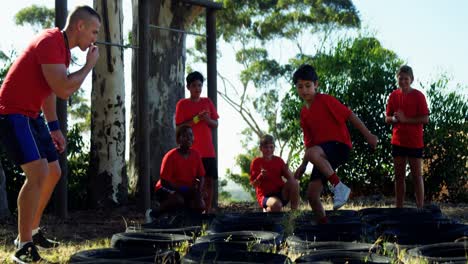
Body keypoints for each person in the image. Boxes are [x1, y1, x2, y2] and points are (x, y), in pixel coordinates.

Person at [0, 5, 100, 263]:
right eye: (94, 32)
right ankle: (23, 245)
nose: (94, 39)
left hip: (31, 114)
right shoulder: (50, 41)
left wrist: (54, 127)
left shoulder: (62, 50)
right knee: (38, 173)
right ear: (80, 26)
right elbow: (65, 89)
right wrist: (89, 66)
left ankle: (31, 230)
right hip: (12, 113)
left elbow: (50, 90)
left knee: (53, 171)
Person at [293, 64, 378, 224]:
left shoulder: (325, 100)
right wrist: (303, 166)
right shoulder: (304, 113)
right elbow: (309, 145)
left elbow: (350, 115)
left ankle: (339, 186)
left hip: (340, 146)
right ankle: (326, 229)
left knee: (313, 153)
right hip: (321, 155)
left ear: (316, 85)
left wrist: (368, 135)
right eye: (300, 87)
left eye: (308, 86)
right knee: (312, 195)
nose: (304, 90)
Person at [385, 65, 429, 208]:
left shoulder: (418, 96)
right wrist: (394, 119)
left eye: (406, 79)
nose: (403, 81)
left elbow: (425, 119)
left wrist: (405, 120)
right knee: (399, 177)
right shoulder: (393, 95)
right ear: (397, 79)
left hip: (415, 142)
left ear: (411, 79)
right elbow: (387, 117)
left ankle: (420, 207)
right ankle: (399, 207)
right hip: (398, 141)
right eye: (400, 78)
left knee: (417, 176)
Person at [175, 71, 219, 213]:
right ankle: (194, 209)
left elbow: (215, 123)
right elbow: (179, 126)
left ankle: (207, 209)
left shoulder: (207, 102)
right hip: (191, 151)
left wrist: (207, 120)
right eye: (194, 85)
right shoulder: (182, 104)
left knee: (209, 181)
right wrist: (196, 119)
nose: (197, 89)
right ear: (188, 87)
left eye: (200, 85)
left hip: (208, 150)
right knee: (193, 182)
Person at [146, 125, 205, 222]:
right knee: (178, 200)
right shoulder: (170, 156)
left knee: (200, 205)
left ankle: (185, 219)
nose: (189, 138)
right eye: (185, 135)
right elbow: (165, 182)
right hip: (166, 189)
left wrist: (199, 191)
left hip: (186, 189)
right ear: (178, 139)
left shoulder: (196, 155)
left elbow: (201, 176)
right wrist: (183, 189)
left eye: (191, 135)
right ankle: (153, 214)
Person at [250, 134, 300, 212]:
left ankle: (294, 214)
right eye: (266, 147)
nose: (269, 150)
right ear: (261, 148)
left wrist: (287, 171)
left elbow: (291, 180)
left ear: (274, 148)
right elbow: (254, 185)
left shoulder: (279, 160)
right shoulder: (256, 162)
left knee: (295, 183)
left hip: (281, 193)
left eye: (271, 147)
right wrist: (261, 175)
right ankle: (267, 209)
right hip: (265, 196)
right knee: (277, 205)